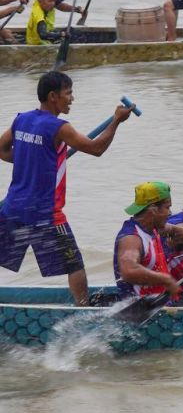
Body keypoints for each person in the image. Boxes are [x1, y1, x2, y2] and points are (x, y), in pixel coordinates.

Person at [0, 71, 133, 305]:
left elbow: (1, 149)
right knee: (75, 264)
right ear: (53, 96)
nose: (72, 98)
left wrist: (29, 159)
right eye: (68, 93)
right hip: (46, 213)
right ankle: (82, 309)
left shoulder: (21, 119)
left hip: (13, 207)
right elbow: (95, 148)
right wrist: (116, 121)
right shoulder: (59, 127)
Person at [114, 182, 183, 302]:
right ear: (153, 210)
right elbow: (128, 271)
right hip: (142, 306)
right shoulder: (132, 238)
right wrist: (166, 280)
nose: (170, 213)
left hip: (164, 299)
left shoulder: (155, 228)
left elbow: (178, 231)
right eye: (167, 207)